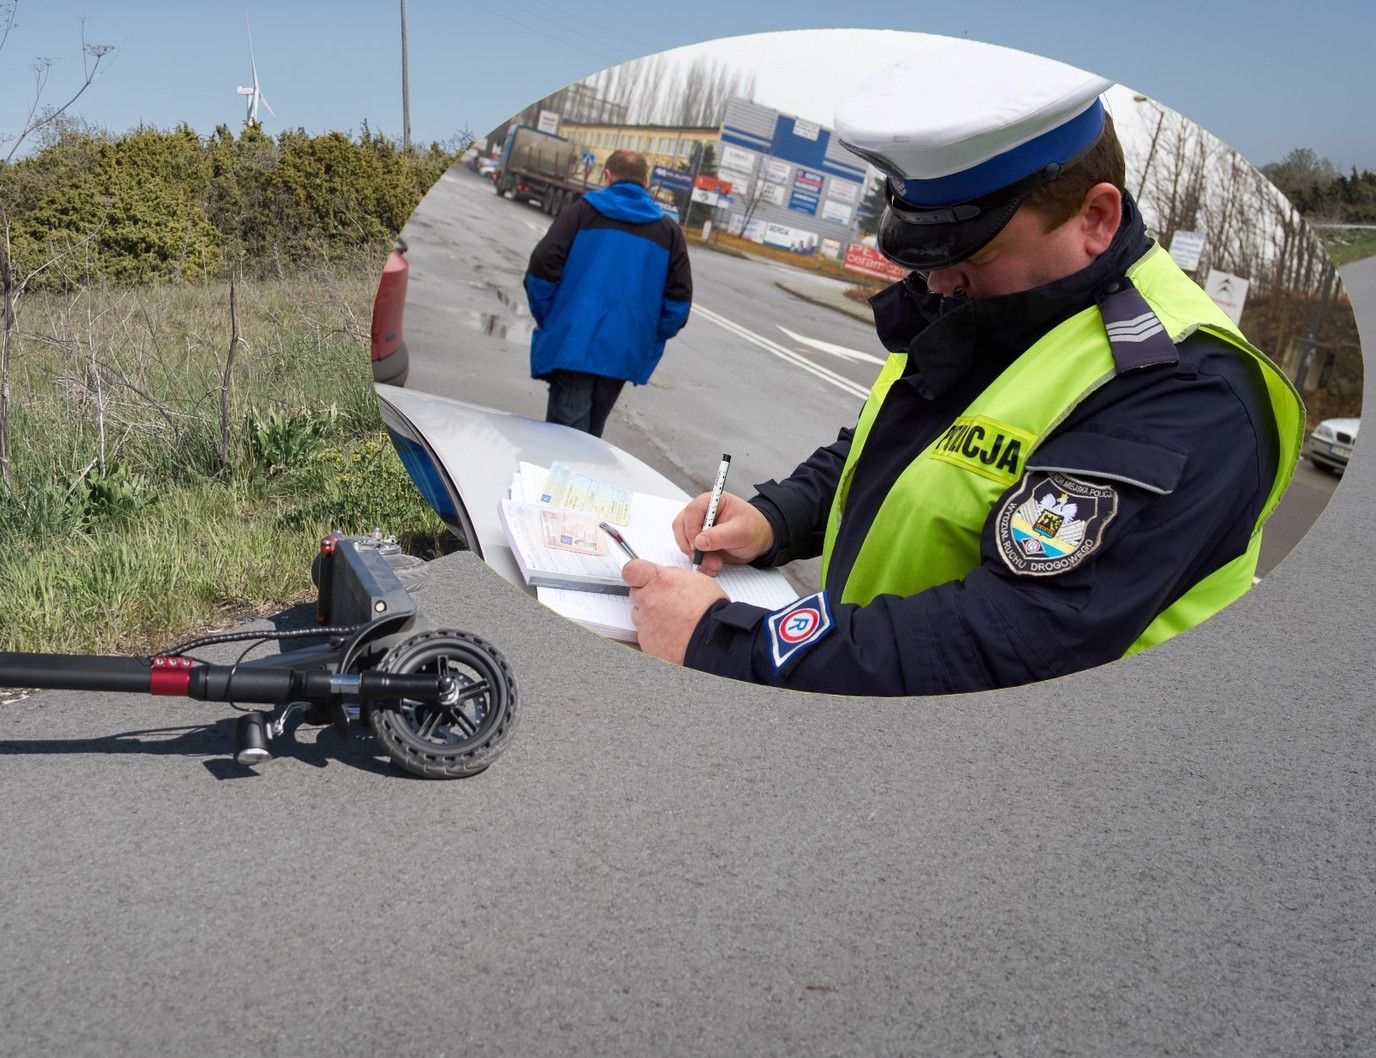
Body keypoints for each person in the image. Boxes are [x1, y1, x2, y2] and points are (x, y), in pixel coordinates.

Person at [620, 40, 1304, 695]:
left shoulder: (1181, 389)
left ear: (1096, 217)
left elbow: (1013, 642)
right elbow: (889, 450)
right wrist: (777, 518)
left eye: (972, 254)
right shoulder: (1010, 304)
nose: (940, 282)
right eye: (930, 255)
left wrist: (726, 642)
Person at [524, 148, 693, 437]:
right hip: (624, 349)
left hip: (573, 339)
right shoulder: (668, 231)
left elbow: (541, 269)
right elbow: (678, 302)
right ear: (646, 182)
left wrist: (551, 317)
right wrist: (646, 337)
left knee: (565, 440)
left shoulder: (581, 212)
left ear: (607, 176)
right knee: (590, 437)